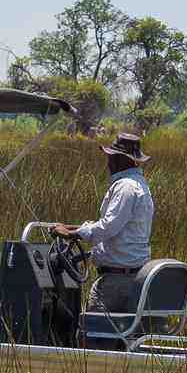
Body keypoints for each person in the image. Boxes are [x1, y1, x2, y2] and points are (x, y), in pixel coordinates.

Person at [53, 133, 154, 315]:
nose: (108, 162)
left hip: (116, 282)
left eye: (110, 157)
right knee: (122, 338)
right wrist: (75, 228)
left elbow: (108, 226)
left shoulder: (125, 187)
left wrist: (72, 235)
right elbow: (118, 227)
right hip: (133, 276)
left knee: (93, 334)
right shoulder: (139, 184)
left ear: (119, 159)